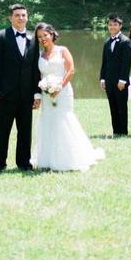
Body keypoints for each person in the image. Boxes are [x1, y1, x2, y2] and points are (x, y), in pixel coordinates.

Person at [32, 23, 104, 171]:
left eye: (45, 35)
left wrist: (59, 87)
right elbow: (38, 75)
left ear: (52, 34)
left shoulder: (62, 50)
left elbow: (70, 70)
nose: (42, 38)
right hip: (46, 93)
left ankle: (69, 158)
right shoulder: (39, 55)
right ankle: (47, 159)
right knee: (47, 121)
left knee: (63, 119)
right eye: (39, 37)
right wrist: (42, 91)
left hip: (63, 91)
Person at [0, 4, 41, 172]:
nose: (21, 18)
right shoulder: (0, 37)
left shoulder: (33, 39)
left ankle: (24, 162)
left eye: (24, 15)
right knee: (2, 130)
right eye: (17, 15)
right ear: (10, 18)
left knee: (25, 131)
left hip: (26, 95)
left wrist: (36, 93)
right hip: (5, 94)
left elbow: (34, 68)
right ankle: (0, 162)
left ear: (27, 17)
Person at [99, 14, 131, 136]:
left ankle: (123, 131)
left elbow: (126, 63)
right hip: (108, 80)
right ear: (108, 26)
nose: (112, 27)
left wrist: (122, 80)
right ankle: (116, 131)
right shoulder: (107, 42)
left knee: (121, 106)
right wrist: (102, 79)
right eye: (110, 25)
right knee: (112, 106)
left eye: (115, 25)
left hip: (120, 81)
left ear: (120, 26)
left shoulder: (126, 42)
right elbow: (104, 62)